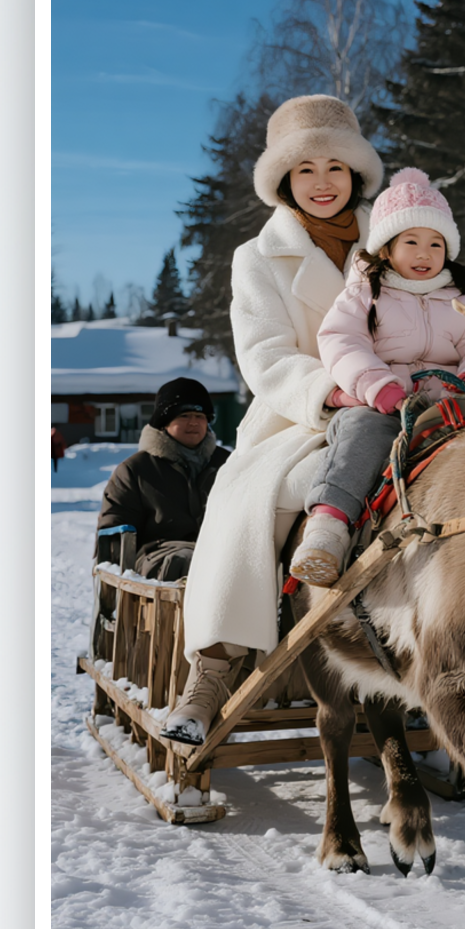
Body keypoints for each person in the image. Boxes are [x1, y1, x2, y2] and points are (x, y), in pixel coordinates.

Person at [162, 94, 384, 744]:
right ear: (285, 180)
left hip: (401, 404)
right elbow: (264, 356)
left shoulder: (400, 240)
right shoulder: (257, 258)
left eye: (335, 168)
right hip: (301, 415)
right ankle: (213, 670)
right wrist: (332, 392)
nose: (322, 182)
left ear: (356, 175)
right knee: (254, 503)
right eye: (306, 169)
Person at [289, 167, 465, 586]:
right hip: (386, 404)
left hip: (457, 401)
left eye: (436, 243)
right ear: (386, 248)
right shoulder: (365, 293)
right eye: (411, 242)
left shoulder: (463, 296)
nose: (424, 253)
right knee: (360, 437)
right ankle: (327, 530)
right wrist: (379, 387)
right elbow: (341, 341)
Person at [96, 378, 229, 580]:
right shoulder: (136, 470)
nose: (193, 422)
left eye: (200, 416)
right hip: (157, 555)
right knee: (188, 560)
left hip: (219, 548)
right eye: (184, 415)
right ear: (164, 422)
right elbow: (114, 525)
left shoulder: (228, 464)